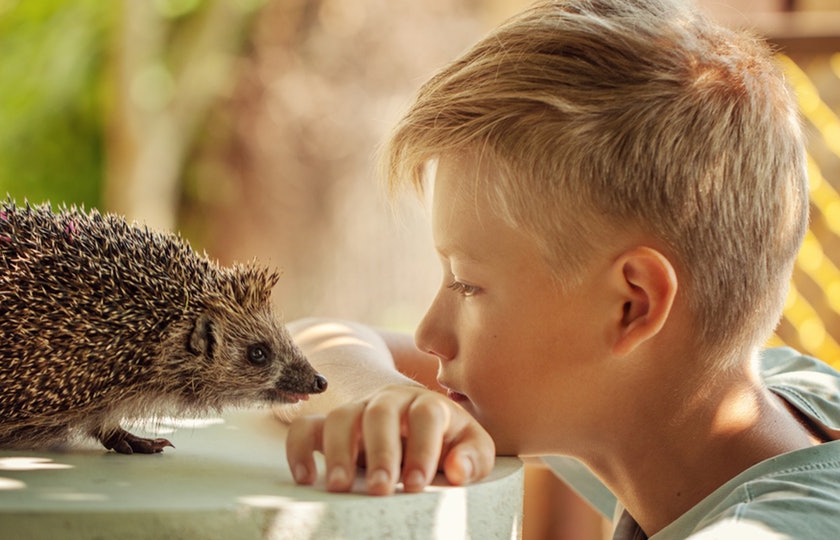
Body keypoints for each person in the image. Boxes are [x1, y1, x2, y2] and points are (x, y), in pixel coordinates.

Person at [279, 0, 840, 537]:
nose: (430, 334)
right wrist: (386, 396)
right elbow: (307, 348)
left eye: (467, 284)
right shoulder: (747, 395)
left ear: (632, 305)